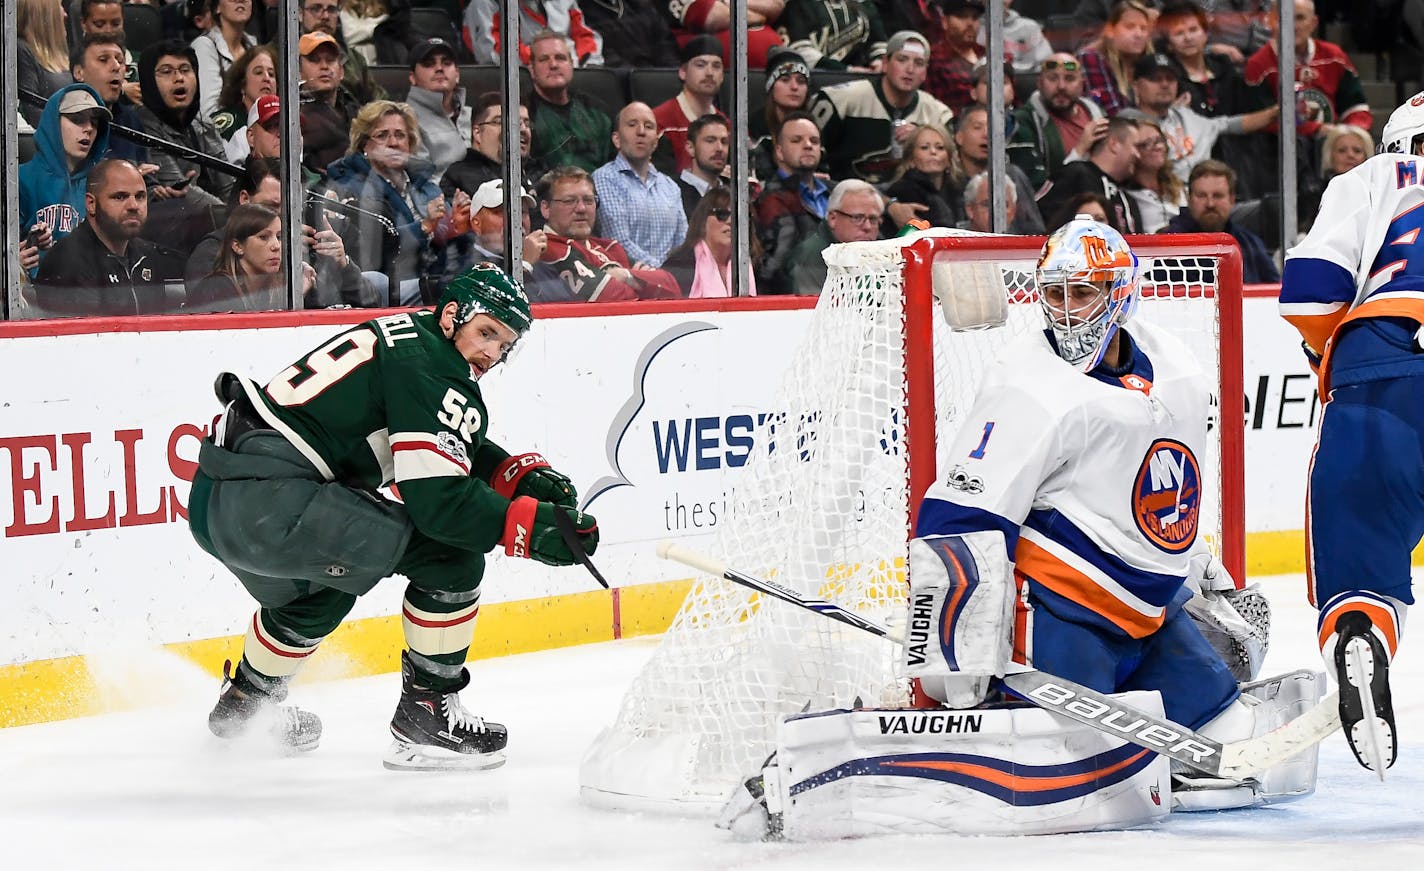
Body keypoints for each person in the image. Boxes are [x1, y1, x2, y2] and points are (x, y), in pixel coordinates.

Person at [889, 216, 1309, 817]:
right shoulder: (1027, 386)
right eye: (1052, 293)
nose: (1063, 310)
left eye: (1080, 292)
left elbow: (1171, 485)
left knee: (1236, 739)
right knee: (1084, 779)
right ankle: (1007, 714)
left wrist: (1197, 570)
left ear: (1120, 292)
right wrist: (953, 669)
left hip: (1151, 616)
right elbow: (960, 519)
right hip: (1064, 616)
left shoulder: (1176, 364)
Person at [190, 262, 600, 769]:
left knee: (328, 583)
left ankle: (246, 705)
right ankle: (428, 717)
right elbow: (441, 508)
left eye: (505, 344)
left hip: (217, 501)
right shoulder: (433, 366)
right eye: (487, 332)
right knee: (449, 556)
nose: (491, 353)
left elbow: (431, 437)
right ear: (452, 315)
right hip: (275, 502)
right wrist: (536, 529)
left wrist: (513, 474)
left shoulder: (411, 342)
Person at [1276, 92, 1424, 776]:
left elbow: (1308, 291)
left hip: (1381, 363)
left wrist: (1327, 355)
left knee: (1362, 560)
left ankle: (1362, 629)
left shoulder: (1370, 180)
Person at [324, 100, 450, 306]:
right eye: (382, 135)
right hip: (385, 289)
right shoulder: (351, 188)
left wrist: (458, 227)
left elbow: (449, 238)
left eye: (400, 135)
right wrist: (425, 226)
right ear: (364, 144)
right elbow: (372, 247)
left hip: (434, 284)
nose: (393, 143)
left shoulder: (428, 187)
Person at [33, 158, 185, 316]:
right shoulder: (67, 263)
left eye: (140, 196)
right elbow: (85, 338)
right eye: (120, 197)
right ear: (91, 204)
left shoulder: (148, 255)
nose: (133, 206)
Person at [811, 30, 955, 190]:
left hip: (912, 200)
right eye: (902, 59)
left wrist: (921, 138)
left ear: (925, 72)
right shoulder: (839, 100)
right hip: (846, 197)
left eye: (919, 63)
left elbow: (953, 170)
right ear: (885, 63)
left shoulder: (937, 113)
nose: (910, 69)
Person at [535, 165, 681, 302]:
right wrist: (643, 284)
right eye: (569, 201)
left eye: (588, 200)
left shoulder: (609, 247)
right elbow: (611, 298)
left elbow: (671, 286)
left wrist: (625, 275)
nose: (581, 208)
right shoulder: (548, 248)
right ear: (546, 208)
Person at [1129, 52, 1278, 183]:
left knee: (1269, 206)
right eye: (1155, 79)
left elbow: (1230, 124)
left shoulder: (1187, 116)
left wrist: (1277, 112)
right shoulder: (1129, 125)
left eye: (1171, 78)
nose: (1165, 84)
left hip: (1203, 200)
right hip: (1162, 202)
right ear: (1136, 86)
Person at [1243, 0, 1371, 140]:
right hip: (1277, 151)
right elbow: (1261, 121)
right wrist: (1315, 129)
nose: (1292, 26)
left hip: (1332, 146)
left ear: (1314, 23)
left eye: (1300, 18)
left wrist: (1352, 131)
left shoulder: (1335, 57)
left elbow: (1356, 108)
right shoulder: (1259, 64)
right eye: (1284, 18)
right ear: (1271, 22)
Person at [19, 85, 113, 275]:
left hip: (92, 293)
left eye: (94, 122)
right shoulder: (20, 179)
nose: (88, 129)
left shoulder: (102, 182)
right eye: (77, 119)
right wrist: (13, 263)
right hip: (38, 296)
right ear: (53, 122)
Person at [134, 40, 236, 208]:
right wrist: (232, 215)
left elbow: (230, 187)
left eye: (185, 70)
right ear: (149, 81)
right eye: (166, 71)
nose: (179, 78)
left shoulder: (204, 125)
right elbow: (180, 191)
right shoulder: (142, 125)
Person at [592, 102, 689, 269]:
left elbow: (683, 244)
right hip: (629, 281)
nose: (641, 132)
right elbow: (617, 242)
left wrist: (673, 276)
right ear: (616, 139)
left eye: (649, 126)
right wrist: (663, 273)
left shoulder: (671, 187)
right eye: (632, 124)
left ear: (656, 141)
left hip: (672, 285)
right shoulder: (604, 178)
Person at [753, 112, 831, 294]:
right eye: (796, 140)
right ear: (779, 151)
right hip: (794, 298)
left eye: (814, 140)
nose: (808, 145)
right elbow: (769, 268)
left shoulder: (836, 192)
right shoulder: (768, 200)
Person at [1009, 54, 1109, 195]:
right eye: (1052, 78)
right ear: (1039, 83)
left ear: (1082, 84)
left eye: (1069, 78)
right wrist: (1080, 150)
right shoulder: (1023, 122)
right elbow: (1037, 192)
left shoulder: (1100, 117)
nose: (1061, 86)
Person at [188, 203, 315, 311]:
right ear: (237, 246)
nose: (276, 246)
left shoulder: (276, 288)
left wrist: (298, 295)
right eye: (263, 237)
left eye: (279, 237)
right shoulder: (217, 289)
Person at [1165, 160, 1278, 283]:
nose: (1210, 204)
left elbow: (1275, 292)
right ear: (1189, 199)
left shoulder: (1250, 243)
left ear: (1232, 199)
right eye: (1202, 196)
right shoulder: (1166, 248)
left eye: (1218, 196)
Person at [525, 30, 615, 175]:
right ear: (532, 69)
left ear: (571, 64)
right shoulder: (523, 115)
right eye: (544, 59)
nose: (553, 65)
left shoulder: (599, 112)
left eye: (560, 58)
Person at [1038, 115, 1143, 235]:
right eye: (1136, 146)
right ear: (1114, 144)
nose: (1138, 155)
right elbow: (1041, 213)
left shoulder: (1128, 199)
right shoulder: (1076, 174)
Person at [950, 103, 1045, 234]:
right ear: (959, 137)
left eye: (992, 128)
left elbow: (1034, 230)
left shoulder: (1013, 176)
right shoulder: (947, 180)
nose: (986, 134)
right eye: (977, 127)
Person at [780, 179, 883, 296]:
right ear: (833, 218)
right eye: (857, 218)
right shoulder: (809, 258)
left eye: (873, 219)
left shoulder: (885, 254)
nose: (867, 226)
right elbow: (813, 310)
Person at [651, 35, 728, 176]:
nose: (710, 73)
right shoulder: (658, 121)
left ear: (722, 76)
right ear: (683, 72)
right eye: (700, 65)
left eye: (716, 66)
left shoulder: (727, 126)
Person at [662, 186, 759, 297]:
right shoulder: (679, 265)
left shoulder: (757, 268)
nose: (731, 221)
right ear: (703, 221)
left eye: (739, 216)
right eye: (722, 214)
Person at [71, 31, 150, 165]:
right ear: (79, 72)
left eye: (120, 61)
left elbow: (147, 173)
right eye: (103, 60)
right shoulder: (65, 121)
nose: (116, 67)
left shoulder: (130, 119)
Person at [442, 93, 536, 204]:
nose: (522, 129)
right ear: (478, 133)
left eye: (526, 123)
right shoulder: (460, 179)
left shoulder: (538, 173)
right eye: (503, 122)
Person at [298, 30, 364, 179]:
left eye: (330, 60)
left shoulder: (355, 110)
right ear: (298, 71)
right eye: (315, 60)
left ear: (341, 71)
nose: (324, 66)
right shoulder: (290, 114)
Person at [404, 37, 471, 182]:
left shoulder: (475, 115)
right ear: (412, 77)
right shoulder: (405, 120)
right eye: (429, 63)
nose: (439, 68)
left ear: (457, 74)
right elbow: (422, 183)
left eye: (447, 63)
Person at [464, 0, 604, 66]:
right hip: (515, 86)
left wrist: (568, 62)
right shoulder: (484, 4)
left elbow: (587, 40)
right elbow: (496, 54)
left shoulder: (564, 2)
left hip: (570, 73)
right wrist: (550, 60)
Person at [299, 0, 386, 104]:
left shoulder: (354, 58)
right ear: (299, 13)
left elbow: (378, 100)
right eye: (316, 9)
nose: (325, 16)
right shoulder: (280, 56)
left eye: (332, 10)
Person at [1078, 0, 1154, 117]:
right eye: (1130, 27)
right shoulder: (1090, 58)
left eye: (1143, 28)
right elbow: (1114, 116)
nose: (1138, 34)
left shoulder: (1147, 62)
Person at [751, 48, 812, 183]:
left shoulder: (813, 126)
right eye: (785, 80)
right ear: (771, 86)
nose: (794, 87)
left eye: (801, 81)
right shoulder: (753, 126)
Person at [883, 124, 960, 231]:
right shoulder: (901, 191)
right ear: (911, 159)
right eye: (924, 147)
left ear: (949, 159)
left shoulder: (958, 190)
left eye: (940, 148)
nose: (933, 152)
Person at [208, 44, 277, 164]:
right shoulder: (230, 124)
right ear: (242, 84)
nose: (267, 78)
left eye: (271, 74)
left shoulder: (287, 123)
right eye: (258, 72)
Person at [192, 0, 257, 120]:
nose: (241, 0)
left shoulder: (254, 46)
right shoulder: (205, 46)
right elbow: (209, 112)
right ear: (217, 7)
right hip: (218, 135)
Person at [780, 0, 888, 70]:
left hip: (862, 78)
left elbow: (879, 43)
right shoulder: (800, 4)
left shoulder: (865, 4)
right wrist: (846, 70)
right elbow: (802, 52)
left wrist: (879, 61)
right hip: (817, 77)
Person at [1123, 116, 1185, 233]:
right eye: (1146, 144)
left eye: (1159, 140)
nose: (1157, 147)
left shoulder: (1177, 186)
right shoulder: (1126, 195)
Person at [18, 0, 74, 128]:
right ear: (44, 14)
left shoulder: (62, 55)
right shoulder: (22, 50)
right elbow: (31, 110)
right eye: (60, 6)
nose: (65, 14)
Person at [577, 0, 681, 68]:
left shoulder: (641, 6)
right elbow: (608, 58)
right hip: (623, 83)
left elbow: (665, 43)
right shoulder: (582, 12)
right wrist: (642, 78)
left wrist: (671, 74)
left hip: (661, 77)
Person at [925, 0, 986, 115]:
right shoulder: (934, 58)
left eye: (975, 17)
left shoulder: (989, 54)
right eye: (962, 17)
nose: (970, 23)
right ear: (945, 22)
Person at [77, 0, 140, 106]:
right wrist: (121, 91)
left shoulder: (141, 61)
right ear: (83, 23)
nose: (108, 31)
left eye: (115, 24)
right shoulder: (71, 62)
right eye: (99, 24)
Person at [676, 115, 730, 221]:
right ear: (690, 148)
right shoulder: (671, 191)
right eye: (710, 141)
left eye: (724, 142)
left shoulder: (734, 191)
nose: (719, 148)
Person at [980, 0, 1051, 74]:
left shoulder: (1030, 27)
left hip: (1025, 80)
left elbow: (1047, 63)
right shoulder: (974, 27)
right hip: (985, 81)